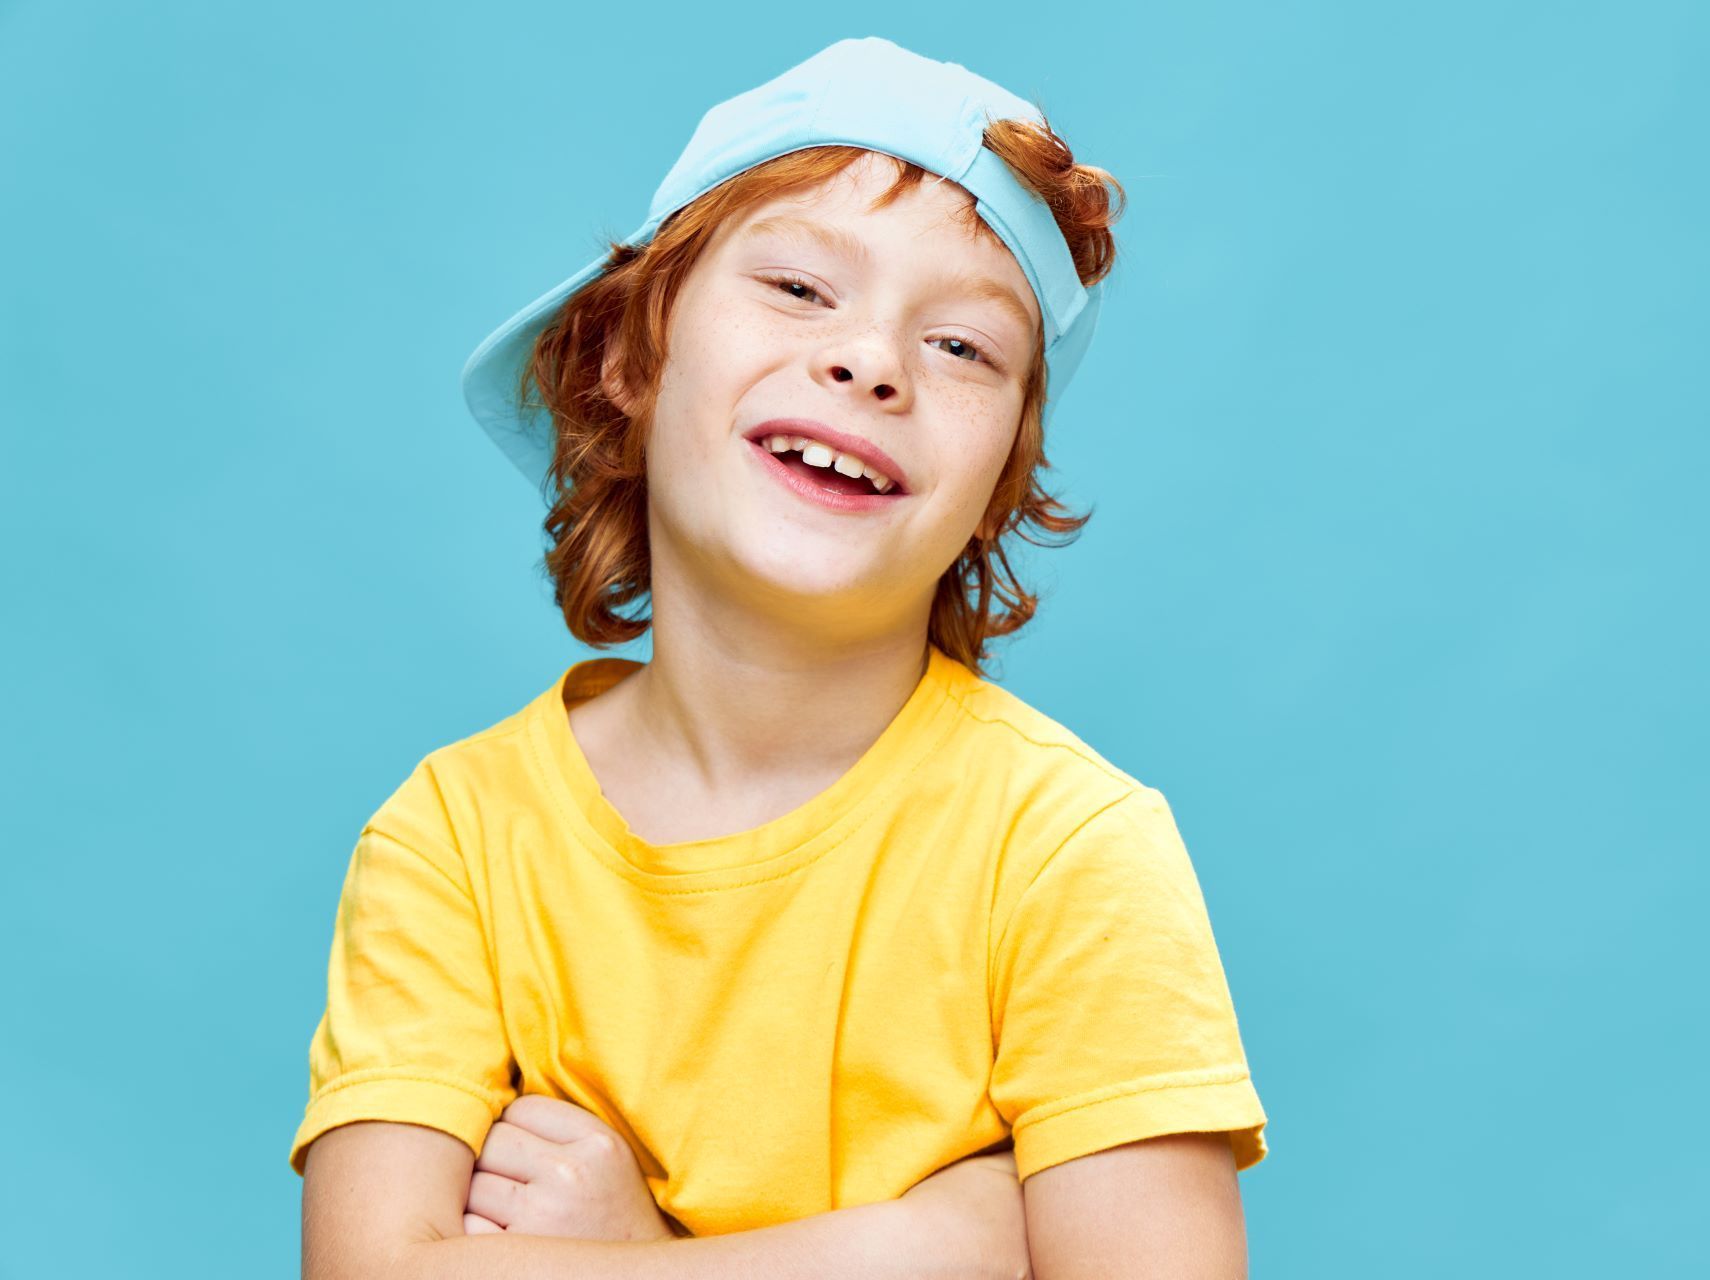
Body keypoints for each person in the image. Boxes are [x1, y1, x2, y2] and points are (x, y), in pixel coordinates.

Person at [290, 35, 1267, 1277]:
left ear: (996, 489)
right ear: (626, 359)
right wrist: (916, 1248)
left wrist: (626, 1254)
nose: (871, 362)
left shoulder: (1066, 849)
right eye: (802, 289)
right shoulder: (453, 842)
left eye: (963, 347)